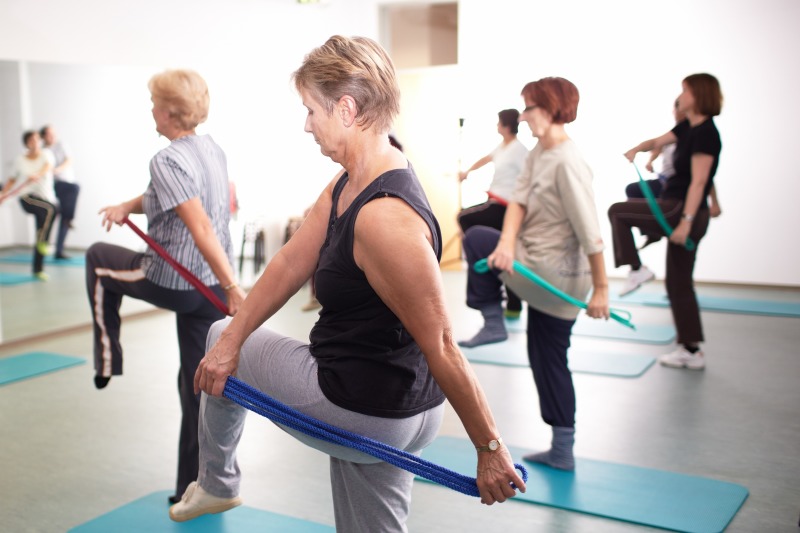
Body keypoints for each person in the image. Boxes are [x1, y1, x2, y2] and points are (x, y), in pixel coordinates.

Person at [169, 35, 525, 530]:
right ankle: (217, 482)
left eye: (311, 110)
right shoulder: (354, 180)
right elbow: (292, 261)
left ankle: (216, 483)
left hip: (364, 406)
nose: (307, 124)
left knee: (216, 336)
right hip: (394, 403)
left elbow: (443, 341)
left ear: (346, 108)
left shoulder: (383, 219)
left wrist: (489, 447)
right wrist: (237, 335)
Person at [84, 69, 246, 504]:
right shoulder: (212, 150)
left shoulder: (166, 158)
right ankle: (195, 487)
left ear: (171, 113)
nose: (151, 110)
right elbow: (165, 196)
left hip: (176, 281)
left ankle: (106, 358)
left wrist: (235, 286)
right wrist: (126, 207)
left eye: (155, 103)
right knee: (196, 386)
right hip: (207, 288)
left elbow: (201, 228)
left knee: (99, 259)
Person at [458, 77, 610, 471]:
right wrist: (506, 244)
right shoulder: (540, 151)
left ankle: (493, 321)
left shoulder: (567, 161)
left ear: (551, 107)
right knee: (546, 357)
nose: (523, 117)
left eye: (529, 108)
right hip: (532, 261)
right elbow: (519, 200)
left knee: (474, 237)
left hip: (554, 275)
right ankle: (562, 449)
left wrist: (602, 289)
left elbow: (590, 230)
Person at [608, 73, 723, 370]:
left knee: (618, 211)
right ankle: (691, 350)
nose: (680, 96)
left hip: (681, 210)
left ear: (697, 95)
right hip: (680, 211)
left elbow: (699, 182)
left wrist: (684, 222)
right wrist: (637, 149)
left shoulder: (707, 134)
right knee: (679, 283)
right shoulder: (688, 127)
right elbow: (658, 141)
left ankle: (636, 268)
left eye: (684, 91)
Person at [458, 109, 529, 318]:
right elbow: (486, 159)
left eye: (499, 123)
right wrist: (467, 171)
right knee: (505, 255)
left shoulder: (520, 150)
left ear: (506, 126)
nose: (497, 126)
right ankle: (514, 306)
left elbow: (530, 178)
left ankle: (487, 262)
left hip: (506, 208)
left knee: (465, 219)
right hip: (495, 203)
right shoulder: (503, 147)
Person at [625, 100, 722, 250]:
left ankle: (656, 229)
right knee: (633, 190)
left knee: (619, 210)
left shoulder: (695, 135)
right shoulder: (676, 132)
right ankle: (651, 232)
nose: (675, 112)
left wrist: (714, 202)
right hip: (666, 184)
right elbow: (656, 145)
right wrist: (646, 159)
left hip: (677, 189)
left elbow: (704, 177)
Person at [0, 130, 58, 280]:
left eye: (37, 139)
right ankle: (44, 243)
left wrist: (38, 174)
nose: (35, 142)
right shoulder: (20, 160)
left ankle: (37, 269)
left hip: (45, 198)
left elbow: (47, 167)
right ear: (26, 143)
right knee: (52, 210)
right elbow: (12, 179)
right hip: (27, 197)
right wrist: (3, 194)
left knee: (41, 229)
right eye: (31, 140)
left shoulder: (47, 154)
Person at [40, 125, 80, 259]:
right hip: (53, 186)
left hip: (68, 184)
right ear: (44, 137)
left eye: (53, 134)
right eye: (49, 134)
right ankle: (45, 248)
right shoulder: (43, 151)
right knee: (54, 214)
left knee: (65, 217)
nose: (53, 136)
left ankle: (59, 250)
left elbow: (69, 159)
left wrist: (57, 169)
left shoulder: (61, 145)